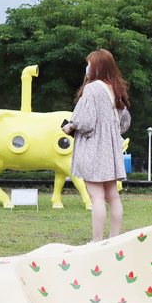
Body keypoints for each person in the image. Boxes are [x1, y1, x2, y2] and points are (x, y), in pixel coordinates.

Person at [62, 49, 131, 242]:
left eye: (90, 64)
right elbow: (125, 123)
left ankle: (97, 241)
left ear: (96, 67)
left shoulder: (92, 89)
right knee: (113, 197)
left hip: (94, 148)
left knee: (97, 198)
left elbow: (84, 121)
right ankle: (114, 239)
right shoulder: (117, 89)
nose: (88, 67)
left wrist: (70, 127)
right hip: (111, 149)